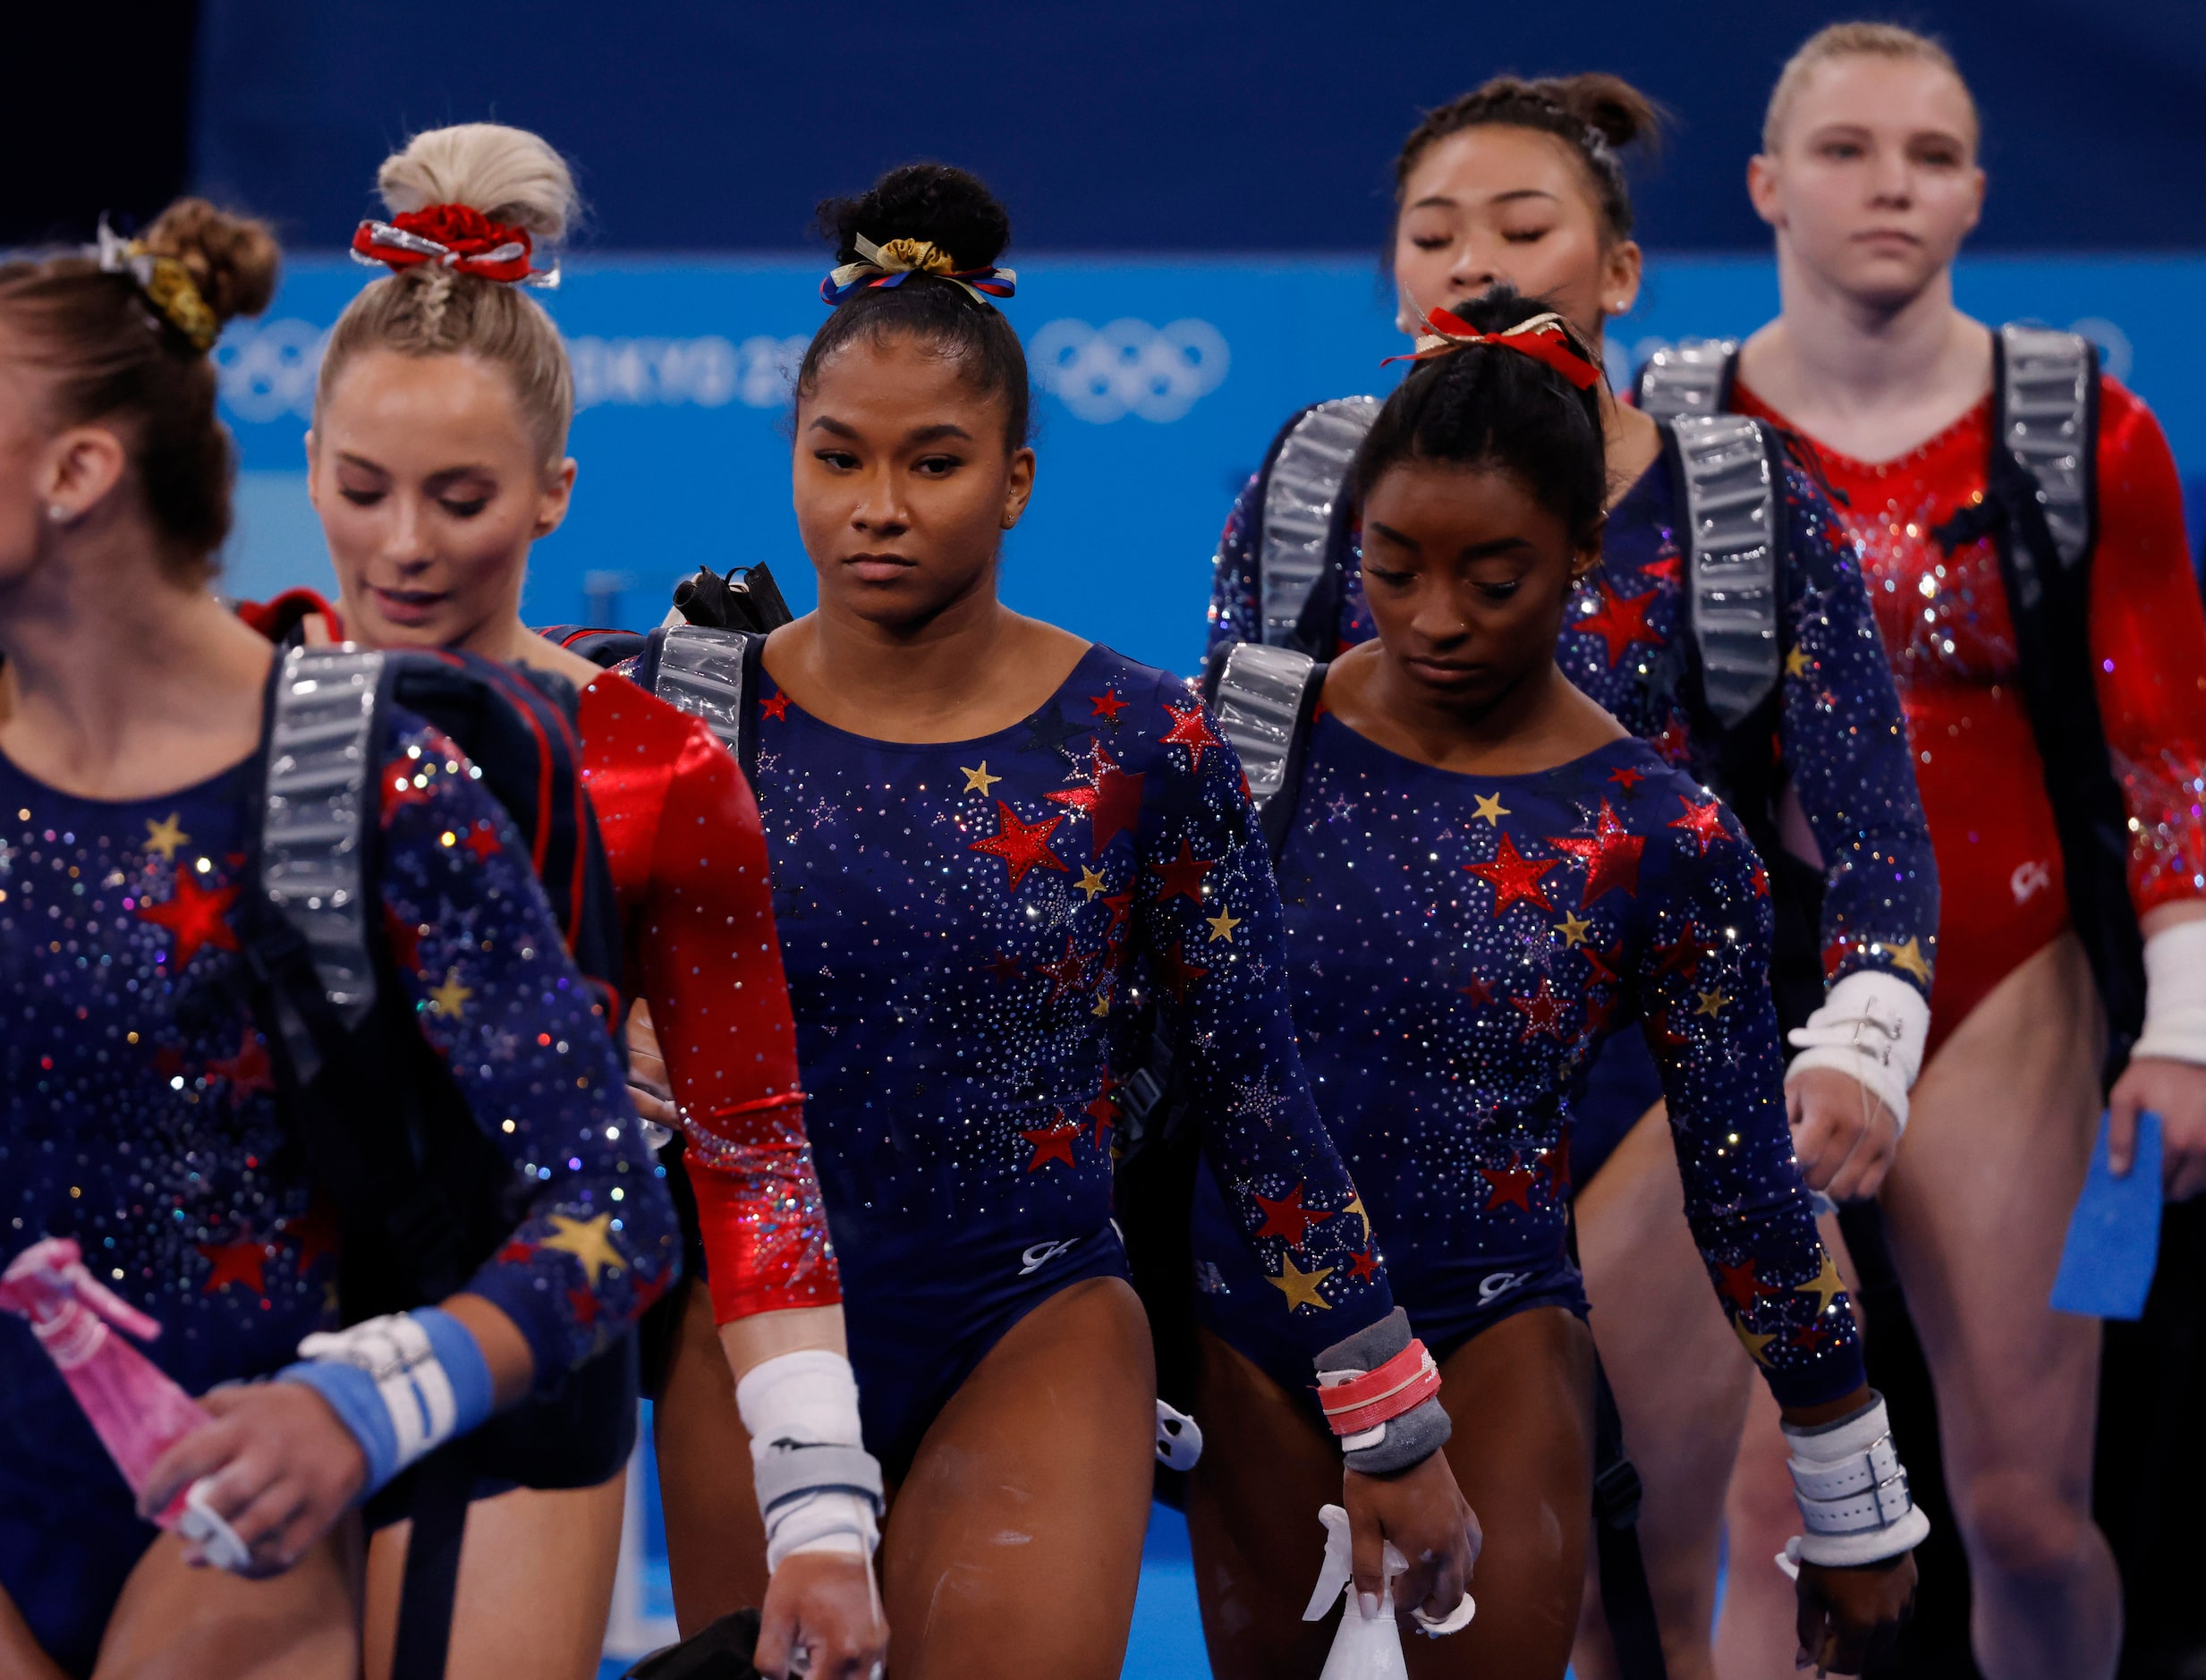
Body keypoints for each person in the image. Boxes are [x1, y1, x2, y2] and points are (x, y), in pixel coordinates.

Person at [644, 160, 1480, 1678]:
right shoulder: (681, 718)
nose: (877, 507)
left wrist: (1383, 1405)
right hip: (753, 1310)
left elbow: (1253, 1091)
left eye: (936, 462)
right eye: (837, 459)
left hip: (1028, 1305)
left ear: (1018, 479)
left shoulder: (1140, 742)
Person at [1205, 74, 1936, 1679]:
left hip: (1639, 1069)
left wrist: (1867, 1021)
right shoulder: (1306, 501)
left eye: (1522, 226)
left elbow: (1870, 822)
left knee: (1639, 1575)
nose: (1437, 618)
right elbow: (1200, 883)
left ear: (1612, 268)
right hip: (1319, 1114)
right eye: (1432, 231)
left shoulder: (1685, 726)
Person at [0, 199, 679, 1679]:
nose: (404, 545)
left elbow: (613, 1209)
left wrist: (366, 1403)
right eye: (362, 489)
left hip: (253, 1490)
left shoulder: (385, 768)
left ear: (79, 473)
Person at [1628, 26, 2206, 1679]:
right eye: (1846, 148)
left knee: (2022, 1506)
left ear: (1973, 196)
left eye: (1932, 154)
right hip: (1753, 995)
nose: (1889, 182)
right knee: (1765, 1502)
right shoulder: (1670, 431)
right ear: (1763, 187)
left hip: (2005, 980)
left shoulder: (2078, 427)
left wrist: (2174, 1027)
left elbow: (2164, 750)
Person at [298, 123, 886, 1680]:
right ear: (307, 472)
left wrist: (818, 1498)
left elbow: (754, 1141)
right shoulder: (215, 713)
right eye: (362, 489)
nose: (405, 543)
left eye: (463, 495)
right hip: (240, 1338)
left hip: (518, 1362)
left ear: (554, 494)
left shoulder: (652, 767)